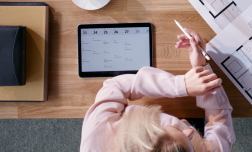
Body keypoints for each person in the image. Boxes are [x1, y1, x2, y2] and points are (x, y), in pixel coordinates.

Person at [80, 28, 235, 152]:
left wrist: (181, 85)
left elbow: (115, 86)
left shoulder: (96, 135)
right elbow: (220, 127)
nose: (189, 129)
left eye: (179, 132)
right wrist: (202, 69)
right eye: (191, 147)